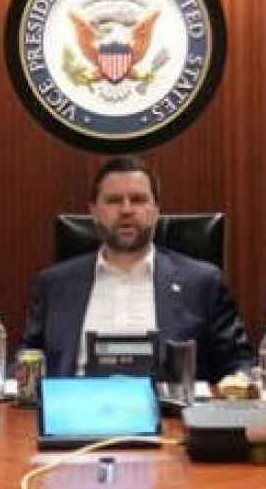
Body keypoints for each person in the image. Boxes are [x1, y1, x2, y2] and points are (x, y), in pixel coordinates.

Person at [22, 155, 254, 383]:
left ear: (156, 209)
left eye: (138, 200)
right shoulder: (54, 284)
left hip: (168, 406)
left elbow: (240, 365)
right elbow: (26, 361)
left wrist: (238, 383)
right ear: (93, 211)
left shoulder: (201, 283)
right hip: (76, 405)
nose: (126, 210)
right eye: (114, 200)